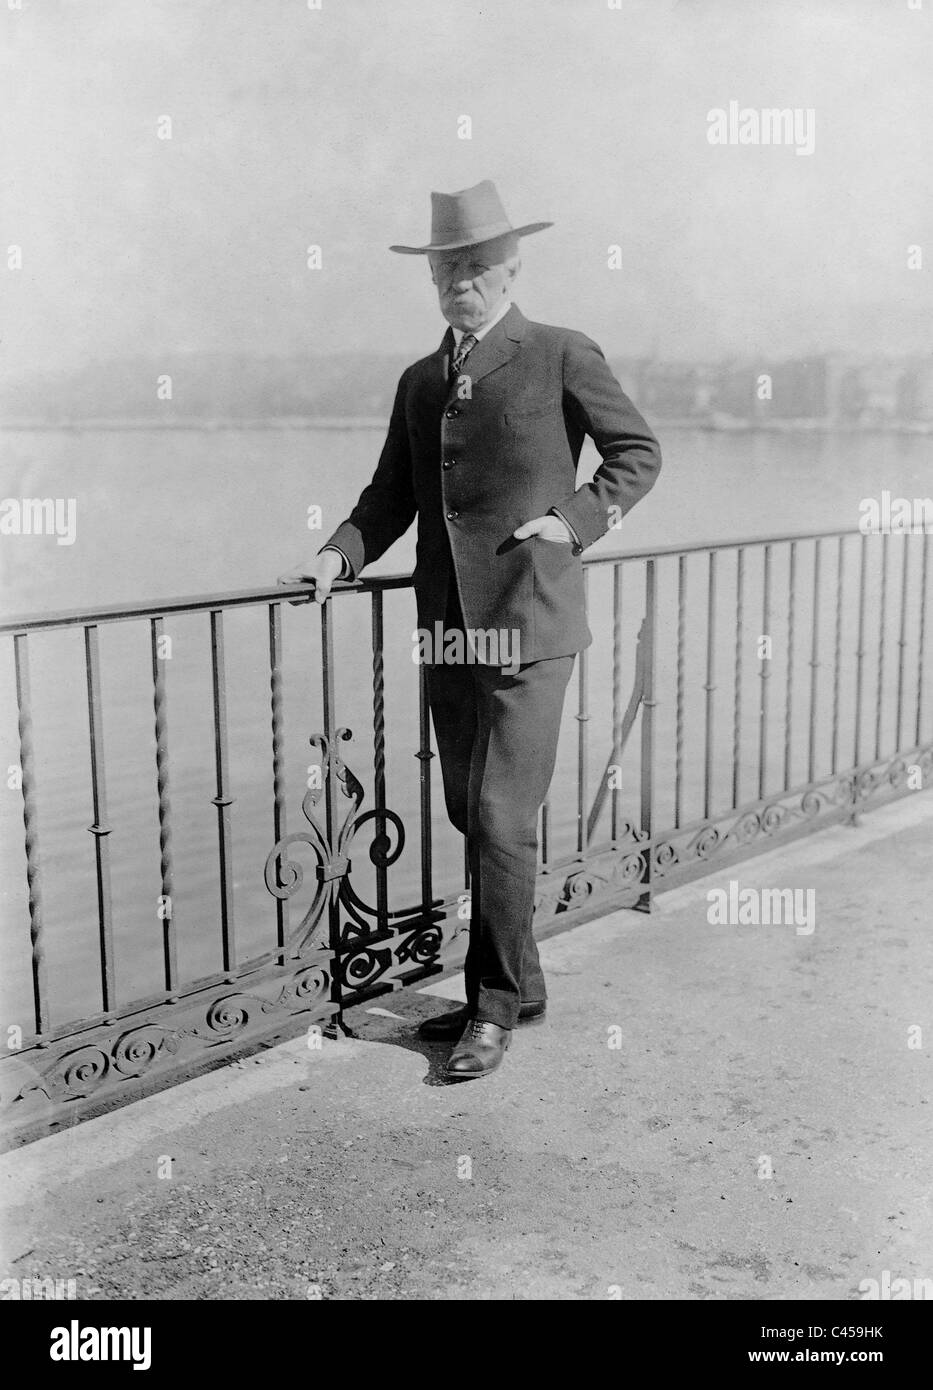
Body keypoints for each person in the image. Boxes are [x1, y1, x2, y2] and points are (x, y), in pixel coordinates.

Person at [279, 180, 661, 1080]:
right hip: (449, 627)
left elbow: (636, 453)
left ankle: (485, 1011)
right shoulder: (420, 381)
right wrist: (337, 558)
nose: (463, 282)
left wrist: (573, 521)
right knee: (465, 809)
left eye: (478, 267)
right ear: (433, 280)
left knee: (496, 814)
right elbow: (391, 498)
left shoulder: (561, 352)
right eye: (448, 268)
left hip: (531, 618)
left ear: (511, 268)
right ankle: (521, 981)